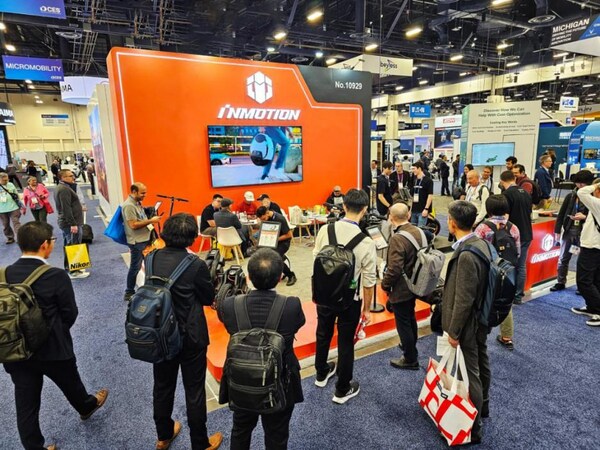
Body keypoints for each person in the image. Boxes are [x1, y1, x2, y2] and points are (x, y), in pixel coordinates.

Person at [2, 221, 108, 450]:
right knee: (71, 382)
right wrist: (57, 331)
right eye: (52, 241)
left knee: (26, 404)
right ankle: (87, 406)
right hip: (53, 347)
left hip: (16, 350)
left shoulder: (4, 273)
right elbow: (70, 312)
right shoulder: (56, 275)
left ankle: (34, 447)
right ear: (44, 245)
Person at [147, 213, 223, 450]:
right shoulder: (195, 265)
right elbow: (208, 297)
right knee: (194, 390)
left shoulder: (151, 258)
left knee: (162, 386)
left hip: (160, 332)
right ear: (191, 238)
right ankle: (200, 443)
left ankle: (163, 435)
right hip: (190, 334)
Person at [218, 248, 306, 449]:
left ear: (249, 277)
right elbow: (299, 323)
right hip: (280, 379)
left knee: (240, 429)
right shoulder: (291, 306)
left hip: (241, 378)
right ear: (280, 277)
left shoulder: (230, 305)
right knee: (277, 434)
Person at [313, 189, 376, 404]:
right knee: (346, 342)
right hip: (350, 299)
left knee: (323, 333)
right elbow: (369, 281)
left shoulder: (325, 230)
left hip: (323, 294)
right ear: (365, 210)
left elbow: (316, 259)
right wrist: (367, 310)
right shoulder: (366, 242)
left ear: (344, 206)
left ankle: (321, 373)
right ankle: (342, 389)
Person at [443, 200, 491, 444]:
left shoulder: (466, 255)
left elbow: (464, 299)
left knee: (470, 372)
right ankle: (484, 407)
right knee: (481, 361)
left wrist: (454, 331)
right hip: (481, 318)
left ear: (452, 223)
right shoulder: (481, 243)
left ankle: (473, 428)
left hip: (469, 323)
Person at [474, 195, 521, 350]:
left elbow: (476, 251)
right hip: (506, 273)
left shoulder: (483, 228)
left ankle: (480, 332)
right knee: (505, 303)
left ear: (488, 209)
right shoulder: (513, 228)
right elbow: (518, 252)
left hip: (487, 271)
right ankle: (506, 336)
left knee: (481, 301)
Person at [381, 202, 423, 370]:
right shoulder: (418, 231)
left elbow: (394, 269)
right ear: (408, 215)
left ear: (391, 218)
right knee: (410, 317)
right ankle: (410, 346)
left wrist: (385, 285)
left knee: (403, 323)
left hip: (401, 288)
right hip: (416, 284)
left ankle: (410, 358)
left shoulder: (397, 238)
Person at [551, 170, 593, 292]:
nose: (579, 186)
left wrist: (584, 217)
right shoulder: (571, 196)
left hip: (585, 233)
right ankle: (560, 281)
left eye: (582, 184)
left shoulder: (593, 198)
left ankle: (581, 286)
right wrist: (557, 230)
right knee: (563, 257)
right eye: (578, 183)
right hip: (569, 230)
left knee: (582, 262)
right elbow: (561, 214)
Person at [122, 182, 161, 302]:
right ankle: (129, 292)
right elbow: (133, 225)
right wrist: (151, 220)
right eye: (142, 193)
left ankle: (147, 289)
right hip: (137, 242)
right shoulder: (129, 206)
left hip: (144, 239)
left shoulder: (137, 203)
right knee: (135, 268)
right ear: (134, 192)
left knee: (149, 265)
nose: (145, 195)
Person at [500, 170, 532, 305]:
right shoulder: (525, 192)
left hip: (513, 235)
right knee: (521, 266)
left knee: (509, 265)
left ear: (502, 181)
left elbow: (505, 217)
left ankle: (508, 294)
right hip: (527, 233)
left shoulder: (506, 194)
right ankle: (518, 296)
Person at [571, 178, 600, 327]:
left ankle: (598, 310)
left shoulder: (597, 203)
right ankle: (592, 307)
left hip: (591, 247)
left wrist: (597, 184)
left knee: (583, 281)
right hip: (595, 246)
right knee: (595, 280)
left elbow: (581, 192)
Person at [54, 169, 90, 279]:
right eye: (70, 176)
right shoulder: (64, 189)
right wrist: (73, 224)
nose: (73, 177)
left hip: (68, 222)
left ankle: (72, 268)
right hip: (70, 223)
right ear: (63, 178)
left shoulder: (62, 187)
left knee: (70, 245)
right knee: (73, 245)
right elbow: (66, 208)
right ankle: (74, 271)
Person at [256, 205, 297, 286]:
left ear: (267, 213)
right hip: (271, 241)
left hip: (283, 242)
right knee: (262, 253)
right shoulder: (266, 218)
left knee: (275, 258)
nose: (263, 221)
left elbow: (289, 235)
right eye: (261, 220)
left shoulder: (280, 219)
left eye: (264, 219)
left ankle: (291, 275)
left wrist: (275, 239)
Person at [0, 172, 23, 244]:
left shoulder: (11, 184)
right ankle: (10, 237)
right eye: (4, 180)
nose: (6, 181)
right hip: (2, 210)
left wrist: (20, 205)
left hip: (14, 208)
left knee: (16, 223)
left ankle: (20, 238)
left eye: (7, 180)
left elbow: (16, 194)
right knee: (5, 224)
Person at [409, 161, 433, 227]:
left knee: (421, 229)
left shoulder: (428, 181)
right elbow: (413, 196)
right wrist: (410, 210)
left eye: (414, 169)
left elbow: (430, 195)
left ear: (419, 168)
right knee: (413, 229)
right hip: (414, 210)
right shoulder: (415, 180)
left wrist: (426, 209)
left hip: (422, 210)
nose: (412, 171)